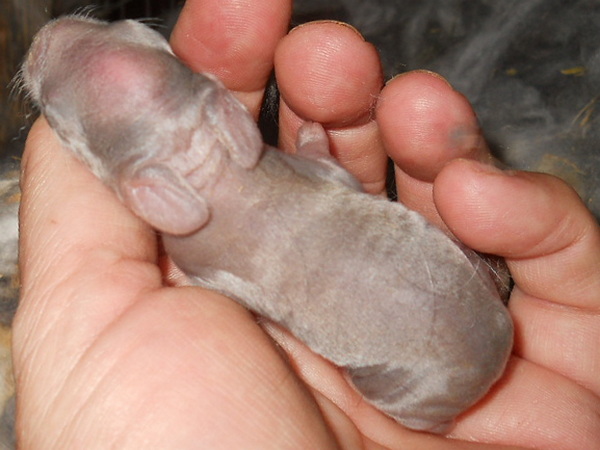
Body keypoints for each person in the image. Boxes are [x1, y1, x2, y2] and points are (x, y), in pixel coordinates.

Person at [14, 0, 600, 448]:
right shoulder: (254, 154)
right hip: (474, 307)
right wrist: (316, 151)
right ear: (217, 108)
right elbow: (334, 187)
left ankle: (424, 414)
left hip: (430, 391)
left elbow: (256, 291)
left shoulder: (192, 250)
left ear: (147, 192)